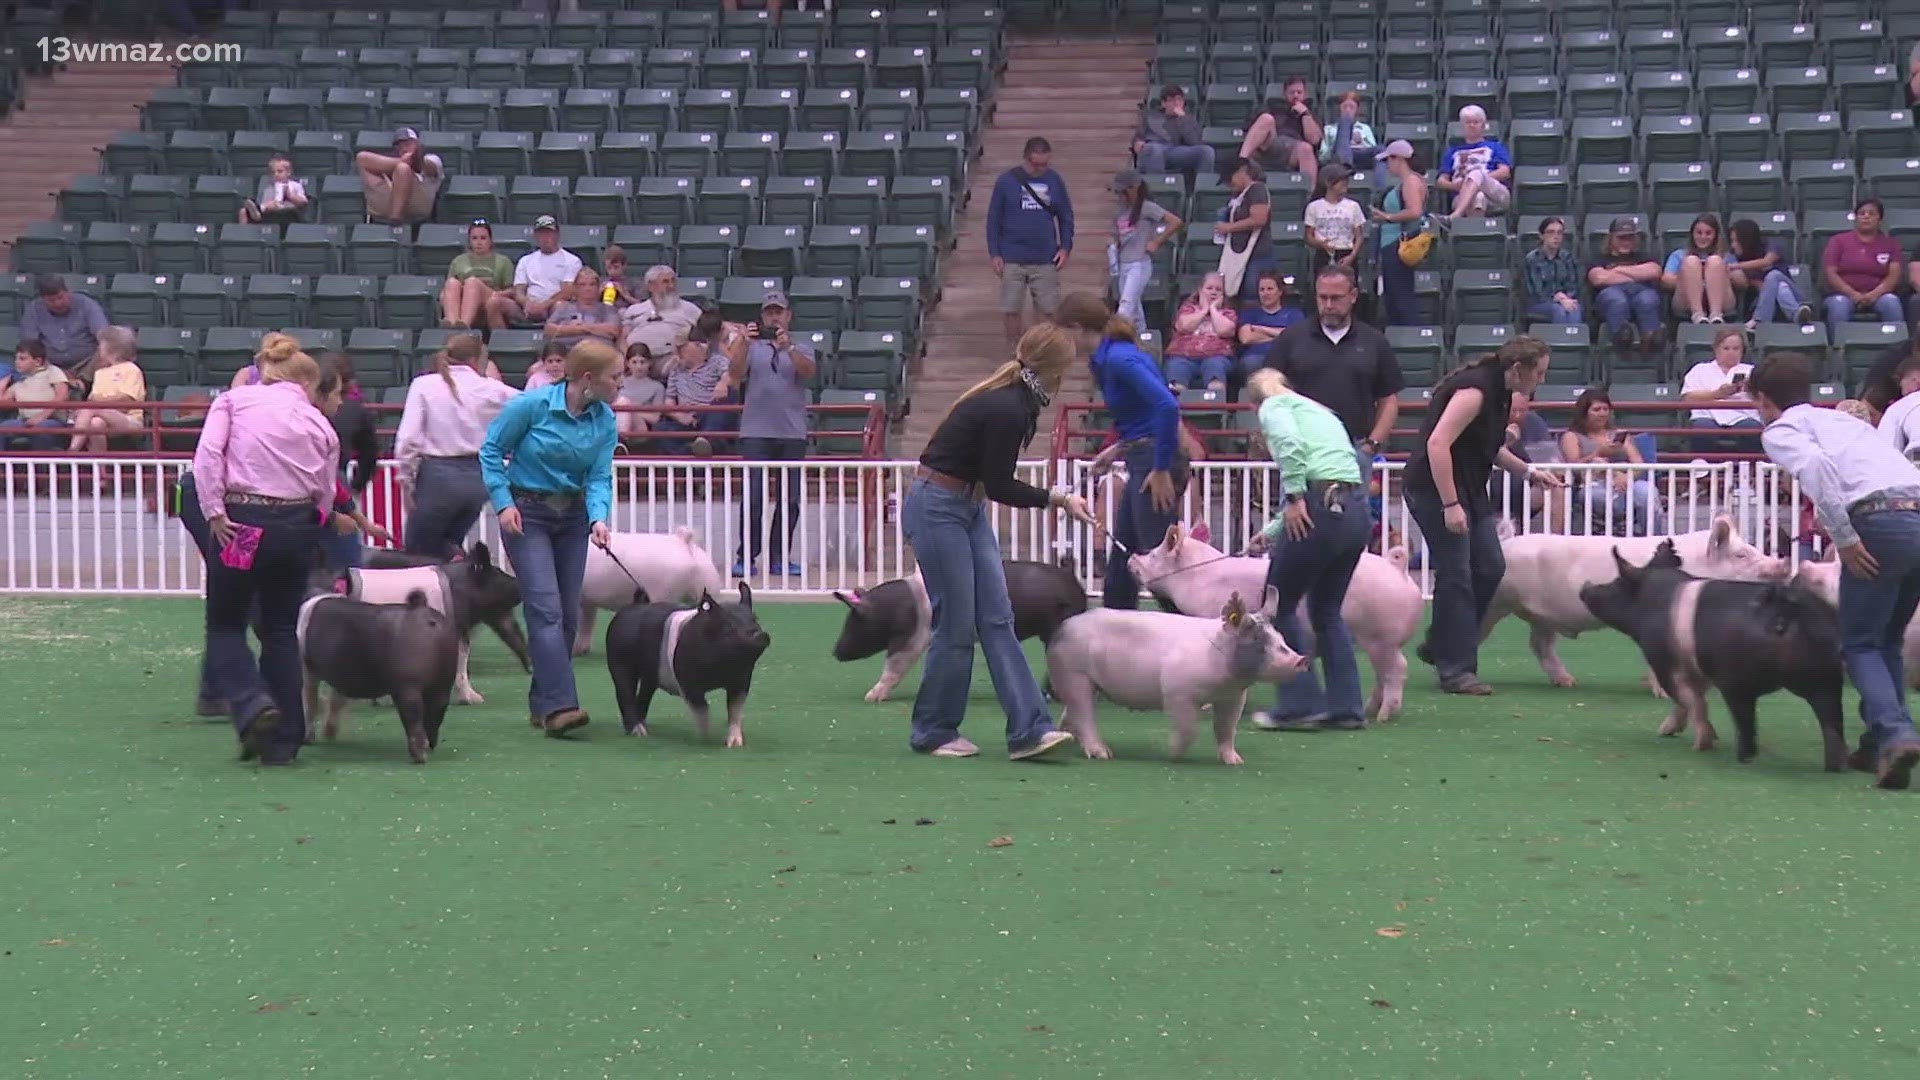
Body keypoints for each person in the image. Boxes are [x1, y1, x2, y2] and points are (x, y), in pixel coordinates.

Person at [904, 321, 1090, 760]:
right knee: (956, 622)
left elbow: (990, 483)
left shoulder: (1016, 402)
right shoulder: (1010, 407)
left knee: (997, 617)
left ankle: (1029, 729)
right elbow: (1001, 485)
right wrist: (1058, 498)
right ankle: (932, 729)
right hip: (939, 506)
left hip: (964, 506)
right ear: (1056, 370)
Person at [1752, 350, 1920, 790]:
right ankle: (1876, 743)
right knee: (1885, 641)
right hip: (1917, 513)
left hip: (1877, 520)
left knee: (1860, 643)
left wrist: (1843, 537)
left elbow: (1815, 468)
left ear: (1764, 400)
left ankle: (1899, 734)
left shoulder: (1782, 429)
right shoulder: (1845, 421)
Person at [191, 347, 339, 765]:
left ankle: (251, 701)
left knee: (225, 623)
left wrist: (215, 513)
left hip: (243, 523)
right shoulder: (319, 422)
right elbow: (327, 489)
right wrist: (316, 522)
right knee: (280, 631)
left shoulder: (233, 402)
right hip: (296, 525)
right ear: (306, 383)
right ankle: (285, 742)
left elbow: (207, 458)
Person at [480, 339, 621, 737]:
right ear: (589, 379)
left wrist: (598, 518)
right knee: (545, 609)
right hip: (528, 515)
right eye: (616, 376)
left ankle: (541, 703)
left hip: (574, 517)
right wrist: (503, 502)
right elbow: (491, 450)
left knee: (568, 618)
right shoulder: (531, 406)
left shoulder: (605, 419)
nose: (620, 384)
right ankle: (562, 707)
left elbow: (598, 475)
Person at [1405, 337, 1562, 695]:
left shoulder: (1501, 391)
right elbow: (1437, 444)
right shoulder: (1475, 391)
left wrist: (1528, 472)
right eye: (1538, 373)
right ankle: (1456, 670)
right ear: (1519, 369)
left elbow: (1487, 448)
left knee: (1490, 565)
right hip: (1434, 490)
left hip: (1470, 490)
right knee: (1456, 573)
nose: (1540, 380)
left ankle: (1442, 643)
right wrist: (1449, 505)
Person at [1241, 369, 1373, 732]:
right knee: (1327, 610)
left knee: (1277, 604)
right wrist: (1272, 531)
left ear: (1255, 402)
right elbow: (1338, 469)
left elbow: (1291, 447)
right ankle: (1347, 707)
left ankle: (1298, 703)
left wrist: (1296, 497)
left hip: (1318, 509)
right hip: (1355, 513)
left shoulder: (1274, 406)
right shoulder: (1322, 412)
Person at [1054, 292, 1184, 610]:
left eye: (1063, 332)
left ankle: (1194, 642)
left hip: (1154, 464)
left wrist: (1162, 468)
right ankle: (1115, 637)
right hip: (1143, 458)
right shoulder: (1109, 358)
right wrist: (1117, 449)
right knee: (1122, 568)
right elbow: (1144, 414)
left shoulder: (1118, 360)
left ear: (1077, 328)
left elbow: (1167, 406)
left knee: (1158, 568)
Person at [1265, 264, 1404, 467]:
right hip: (1302, 451)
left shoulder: (1374, 341)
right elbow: (1267, 393)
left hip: (1355, 452)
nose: (1328, 305)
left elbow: (1388, 401)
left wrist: (1371, 446)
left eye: (1336, 298)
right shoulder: (1291, 339)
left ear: (1353, 296)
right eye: (1322, 297)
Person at [396, 333, 520, 559]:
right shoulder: (491, 388)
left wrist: (406, 481)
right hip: (477, 477)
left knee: (418, 551)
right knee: (448, 542)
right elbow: (530, 405)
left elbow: (408, 439)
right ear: (476, 360)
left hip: (439, 477)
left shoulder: (424, 385)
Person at [732, 289, 817, 578]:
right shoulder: (751, 346)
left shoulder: (802, 347)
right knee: (753, 497)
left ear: (788, 315)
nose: (773, 316)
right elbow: (735, 373)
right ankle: (746, 556)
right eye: (769, 312)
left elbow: (808, 372)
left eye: (778, 311)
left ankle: (780, 556)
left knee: (788, 499)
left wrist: (788, 347)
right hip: (755, 431)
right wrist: (743, 341)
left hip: (792, 432)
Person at [987, 136, 1074, 347]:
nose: (1041, 169)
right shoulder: (1006, 181)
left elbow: (1065, 216)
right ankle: (1015, 352)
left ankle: (1044, 350)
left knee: (1048, 310)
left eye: (1045, 164)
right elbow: (993, 219)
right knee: (1011, 309)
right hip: (1012, 255)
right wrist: (994, 252)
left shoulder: (1054, 180)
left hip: (1045, 256)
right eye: (1036, 165)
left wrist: (1065, 247)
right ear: (1026, 158)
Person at [1558, 388, 1665, 537]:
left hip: (1625, 483)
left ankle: (1655, 540)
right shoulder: (1571, 436)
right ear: (1584, 412)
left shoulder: (1619, 435)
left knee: (1647, 491)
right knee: (1599, 490)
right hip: (1592, 484)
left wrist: (1626, 477)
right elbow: (1574, 466)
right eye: (1596, 409)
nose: (1602, 413)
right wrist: (1598, 454)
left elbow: (1639, 464)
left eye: (1605, 409)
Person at [316, 351, 386, 570]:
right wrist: (355, 490)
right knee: (346, 566)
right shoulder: (353, 410)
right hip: (331, 487)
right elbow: (369, 455)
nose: (339, 403)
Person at [1821, 197, 1905, 340]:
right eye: (1861, 213)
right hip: (1843, 294)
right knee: (1839, 306)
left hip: (1879, 295)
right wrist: (1853, 294)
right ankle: (1836, 351)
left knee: (1891, 302)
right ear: (1856, 218)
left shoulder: (1890, 244)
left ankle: (1897, 349)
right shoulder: (1838, 241)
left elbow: (1893, 276)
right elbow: (1830, 272)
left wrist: (1873, 295)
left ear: (1880, 220)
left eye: (1871, 213)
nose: (1866, 216)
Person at [1107, 168, 1178, 330]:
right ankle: (1143, 339)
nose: (1120, 195)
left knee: (1125, 307)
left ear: (1134, 188)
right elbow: (1117, 235)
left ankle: (1114, 338)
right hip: (1122, 262)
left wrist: (1157, 242)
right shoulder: (1119, 210)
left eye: (1122, 191)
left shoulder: (1147, 207)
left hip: (1139, 263)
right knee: (1135, 309)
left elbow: (1175, 222)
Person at [1587, 216, 1666, 358]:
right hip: (1612, 296)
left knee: (1648, 299)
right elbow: (1598, 278)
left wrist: (1616, 270)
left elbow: (1655, 271)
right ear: (1611, 238)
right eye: (1621, 238)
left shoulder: (1644, 256)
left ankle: (1651, 342)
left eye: (1629, 238)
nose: (1626, 242)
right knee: (1616, 299)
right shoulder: (1599, 258)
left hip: (1641, 294)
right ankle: (1622, 339)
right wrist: (1637, 274)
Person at [1370, 140, 1426, 326]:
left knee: (1400, 298)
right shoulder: (1407, 181)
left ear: (1398, 159)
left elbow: (1415, 211)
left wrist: (1386, 217)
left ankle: (1408, 337)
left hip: (1398, 244)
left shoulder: (1410, 181)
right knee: (1394, 298)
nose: (1387, 165)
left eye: (1389, 160)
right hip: (1391, 243)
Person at [1679, 325, 1760, 454]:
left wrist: (1751, 389)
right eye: (1726, 348)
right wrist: (1717, 394)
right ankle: (1702, 468)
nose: (1731, 352)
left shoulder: (1752, 370)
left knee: (1751, 428)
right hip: (1708, 417)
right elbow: (1686, 399)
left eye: (1736, 348)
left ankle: (1749, 469)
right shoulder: (1700, 369)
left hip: (1743, 417)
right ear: (1716, 349)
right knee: (1703, 427)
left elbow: (1765, 399)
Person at [68, 326, 145, 452]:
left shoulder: (132, 369)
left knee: (90, 410)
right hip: (101, 416)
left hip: (129, 420)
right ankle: (100, 468)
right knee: (95, 423)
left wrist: (99, 404)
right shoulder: (100, 373)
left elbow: (127, 402)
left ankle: (72, 450)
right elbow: (92, 399)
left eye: (101, 345)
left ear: (113, 348)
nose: (98, 348)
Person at [1727, 218, 1813, 331]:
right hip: (1761, 300)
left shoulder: (1772, 245)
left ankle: (1759, 320)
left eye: (1737, 241)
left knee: (1774, 276)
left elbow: (1766, 262)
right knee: (1779, 288)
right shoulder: (1732, 255)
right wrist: (1759, 284)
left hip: (1792, 293)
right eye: (1732, 241)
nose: (1733, 245)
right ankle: (1796, 314)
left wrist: (1736, 266)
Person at [1237, 76, 1321, 190]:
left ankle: (1308, 196)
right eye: (1292, 92)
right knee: (1267, 118)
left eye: (1299, 92)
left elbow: (1314, 139)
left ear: (1305, 94)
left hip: (1292, 151)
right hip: (1269, 144)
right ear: (1285, 94)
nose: (1295, 95)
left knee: (1306, 148)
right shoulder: (1271, 108)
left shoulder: (1311, 113)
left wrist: (1305, 114)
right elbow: (1251, 130)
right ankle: (1240, 163)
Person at [1435, 105, 1512, 222]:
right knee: (1478, 198)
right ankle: (1475, 234)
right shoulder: (1452, 151)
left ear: (1483, 125)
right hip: (1462, 196)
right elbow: (1441, 181)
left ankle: (1455, 216)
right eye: (1468, 122)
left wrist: (1476, 179)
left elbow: (1505, 172)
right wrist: (1454, 185)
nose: (1471, 125)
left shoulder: (1495, 147)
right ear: (1462, 125)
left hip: (1495, 194)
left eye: (1476, 122)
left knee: (1476, 173)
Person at [356, 127, 444, 227]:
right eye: (399, 147)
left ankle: (395, 221)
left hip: (418, 205)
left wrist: (410, 159)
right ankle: (390, 219)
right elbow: (363, 159)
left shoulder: (433, 159)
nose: (403, 149)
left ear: (417, 144)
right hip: (387, 203)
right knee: (361, 157)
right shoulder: (395, 164)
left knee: (403, 169)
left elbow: (423, 166)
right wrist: (401, 162)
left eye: (407, 144)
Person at [1163, 273, 1237, 391]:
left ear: (1223, 294)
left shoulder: (1228, 312)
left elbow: (1224, 331)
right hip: (1183, 357)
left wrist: (1213, 309)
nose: (1213, 292)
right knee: (1177, 371)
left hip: (1216, 357)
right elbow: (1184, 327)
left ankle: (1215, 407)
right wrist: (1204, 310)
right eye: (1209, 288)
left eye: (1218, 289)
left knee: (1215, 370)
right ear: (1200, 290)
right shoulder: (1187, 308)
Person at [1214, 155, 1274, 301]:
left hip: (1257, 254)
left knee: (1252, 294)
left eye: (1230, 178)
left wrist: (1229, 227)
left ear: (1242, 171)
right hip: (1238, 255)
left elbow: (1259, 219)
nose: (1228, 184)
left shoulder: (1257, 189)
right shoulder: (1237, 196)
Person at [440, 220, 516, 330]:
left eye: (483, 238)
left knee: (472, 282)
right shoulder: (459, 260)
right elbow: (448, 290)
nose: (479, 242)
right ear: (469, 241)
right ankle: (453, 324)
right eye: (474, 238)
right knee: (452, 283)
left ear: (490, 240)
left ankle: (465, 325)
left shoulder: (503, 261)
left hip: (490, 296)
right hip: (463, 299)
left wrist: (498, 295)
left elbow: (511, 290)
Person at [1662, 213, 1734, 324]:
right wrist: (1693, 280)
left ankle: (1716, 315)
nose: (1703, 237)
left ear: (1716, 235)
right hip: (1686, 301)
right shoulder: (1679, 255)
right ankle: (1698, 315)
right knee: (1691, 261)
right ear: (1692, 235)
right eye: (1699, 233)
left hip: (1722, 302)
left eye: (1708, 233)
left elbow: (1742, 281)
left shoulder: (1726, 256)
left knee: (1715, 261)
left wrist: (1722, 274)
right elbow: (1666, 280)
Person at [1132, 83, 1215, 178]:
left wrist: (1183, 119)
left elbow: (1195, 142)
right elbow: (1139, 135)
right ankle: (1158, 188)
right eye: (1171, 100)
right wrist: (1138, 141)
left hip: (1175, 150)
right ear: (1163, 103)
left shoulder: (1188, 119)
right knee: (1155, 149)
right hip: (1152, 148)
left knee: (1207, 151)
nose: (1176, 103)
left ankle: (1202, 188)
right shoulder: (1151, 116)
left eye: (1179, 99)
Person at [0, 338, 69, 450]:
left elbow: (62, 395)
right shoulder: (19, 381)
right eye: (16, 358)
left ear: (37, 361)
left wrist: (41, 416)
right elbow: (3, 402)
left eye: (22, 359)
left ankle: (42, 467)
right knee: (3, 428)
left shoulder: (52, 371)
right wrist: (3, 383)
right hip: (24, 421)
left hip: (51, 419)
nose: (17, 362)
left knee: (41, 429)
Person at [1234, 271, 1305, 378]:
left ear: (1280, 291)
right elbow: (1245, 338)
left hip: (1285, 356)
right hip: (1255, 358)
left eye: (1270, 289)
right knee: (1251, 363)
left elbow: (1295, 337)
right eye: (1262, 290)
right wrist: (1280, 334)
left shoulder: (1294, 314)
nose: (1265, 293)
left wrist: (1260, 329)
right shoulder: (1249, 313)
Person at [1303, 163, 1365, 276]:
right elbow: (1308, 236)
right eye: (1341, 180)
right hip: (1324, 254)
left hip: (1346, 251)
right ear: (1328, 183)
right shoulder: (1314, 207)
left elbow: (1359, 236)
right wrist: (1320, 243)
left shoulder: (1353, 206)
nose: (1345, 182)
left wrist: (1352, 256)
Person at [1521, 217, 1584, 326]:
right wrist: (1557, 298)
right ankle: (1559, 341)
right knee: (1558, 310)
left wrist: (1565, 298)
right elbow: (1536, 291)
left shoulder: (1567, 257)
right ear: (1541, 236)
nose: (1556, 237)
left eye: (1560, 233)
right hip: (1539, 303)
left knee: (1574, 308)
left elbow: (1573, 285)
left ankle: (1574, 342)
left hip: (1565, 301)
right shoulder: (1532, 259)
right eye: (1551, 232)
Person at [239, 154, 307, 227]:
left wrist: (290, 195)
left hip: (288, 212)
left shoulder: (295, 185)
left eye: (280, 171)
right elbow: (267, 204)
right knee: (243, 212)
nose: (276, 174)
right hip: (271, 215)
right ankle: (243, 233)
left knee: (281, 208)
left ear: (288, 172)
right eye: (273, 172)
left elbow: (303, 202)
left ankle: (258, 210)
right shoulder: (269, 189)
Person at [1876, 353, 1920, 466]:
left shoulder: (1901, 406)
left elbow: (1887, 453)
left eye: (1901, 383)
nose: (1901, 390)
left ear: (1915, 381)